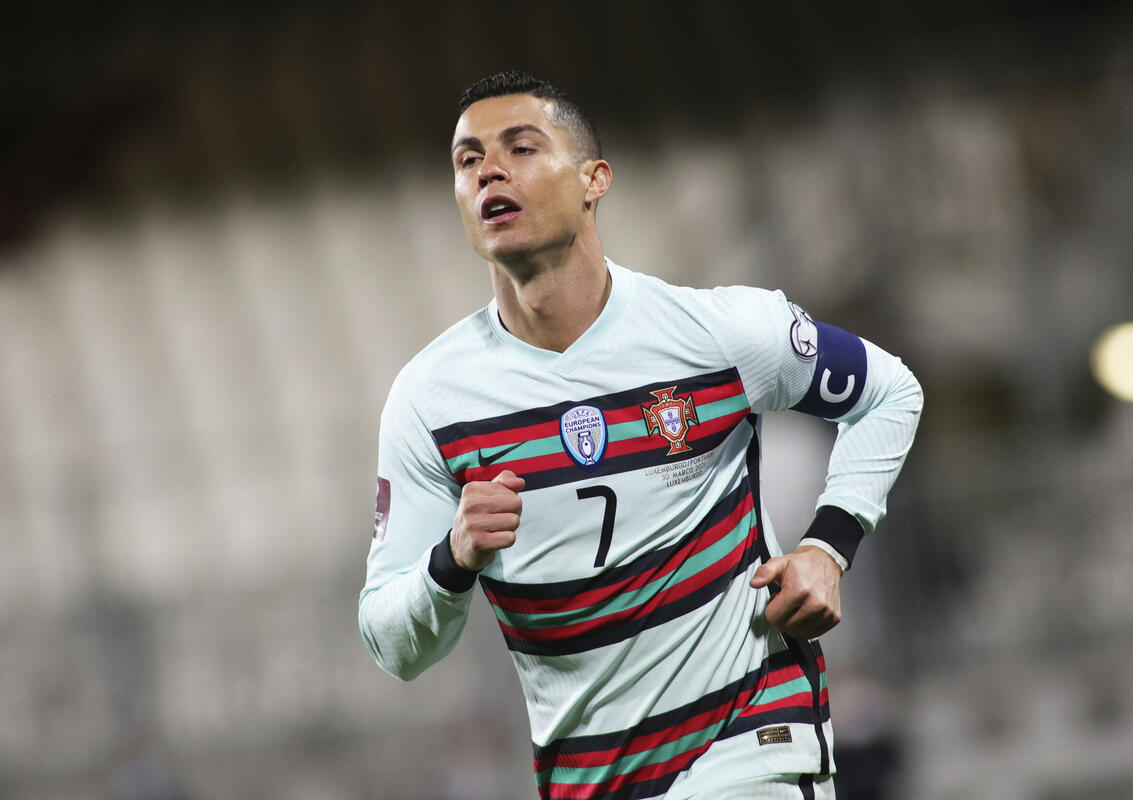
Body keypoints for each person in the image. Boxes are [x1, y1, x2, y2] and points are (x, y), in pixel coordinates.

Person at [358, 71, 922, 800]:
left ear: (594, 180)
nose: (489, 170)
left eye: (521, 148)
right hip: (593, 779)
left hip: (751, 745)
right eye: (468, 160)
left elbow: (889, 391)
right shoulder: (431, 401)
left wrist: (827, 546)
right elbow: (392, 643)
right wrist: (454, 557)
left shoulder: (717, 334)